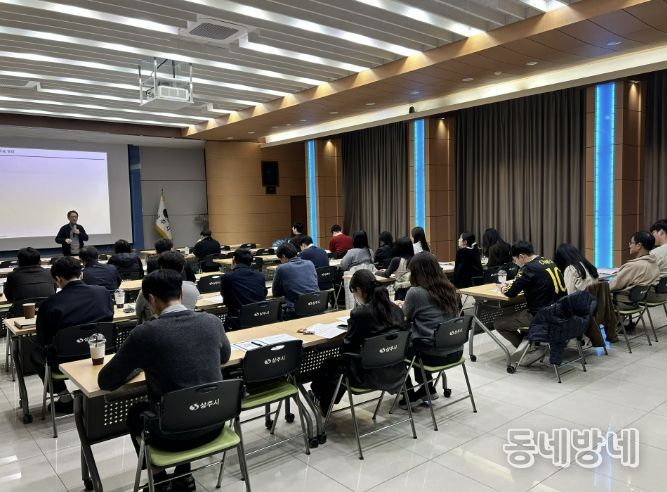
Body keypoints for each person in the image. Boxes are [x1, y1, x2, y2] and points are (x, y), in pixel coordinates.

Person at [99, 269, 231, 492]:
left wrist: (139, 363)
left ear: (151, 299)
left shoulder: (145, 333)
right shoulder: (212, 321)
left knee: (136, 413)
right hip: (215, 424)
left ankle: (159, 480)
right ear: (181, 293)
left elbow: (107, 381)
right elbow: (224, 357)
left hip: (170, 436)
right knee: (186, 403)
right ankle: (184, 476)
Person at [310, 269, 407, 414]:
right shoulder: (396, 310)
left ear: (359, 290)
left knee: (331, 364)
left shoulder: (360, 313)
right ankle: (325, 401)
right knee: (339, 364)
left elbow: (347, 347)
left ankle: (323, 402)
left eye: (354, 292)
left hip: (367, 376)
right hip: (396, 371)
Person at [34, 256, 113, 413]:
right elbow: (109, 319)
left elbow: (44, 338)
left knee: (36, 353)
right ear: (81, 274)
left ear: (58, 279)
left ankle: (65, 397)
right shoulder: (103, 293)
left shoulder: (50, 304)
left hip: (64, 361)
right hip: (101, 352)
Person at [399, 252, 463, 408]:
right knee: (419, 341)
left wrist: (401, 306)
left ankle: (409, 395)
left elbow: (405, 318)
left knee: (397, 351)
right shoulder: (450, 288)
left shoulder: (415, 292)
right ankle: (427, 388)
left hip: (434, 355)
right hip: (456, 350)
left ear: (417, 272)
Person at [495, 241, 567, 362]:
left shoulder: (528, 268)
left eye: (515, 260)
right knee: (520, 312)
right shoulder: (548, 261)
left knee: (499, 323)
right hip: (561, 312)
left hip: (542, 315)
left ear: (521, 256)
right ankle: (530, 341)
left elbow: (510, 292)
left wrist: (502, 287)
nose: (515, 263)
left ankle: (528, 350)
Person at [135, 251, 200, 324]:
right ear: (182, 268)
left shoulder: (148, 289)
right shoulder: (193, 289)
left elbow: (138, 313)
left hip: (157, 328)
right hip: (189, 326)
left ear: (161, 267)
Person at [220, 248, 268, 330]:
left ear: (234, 260)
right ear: (251, 262)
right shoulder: (260, 275)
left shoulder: (227, 277)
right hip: (260, 316)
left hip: (239, 320)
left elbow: (226, 298)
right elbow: (264, 294)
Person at [609, 231, 660, 304]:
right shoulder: (653, 263)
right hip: (638, 301)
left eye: (631, 243)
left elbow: (612, 286)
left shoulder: (634, 266)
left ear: (638, 245)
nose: (629, 245)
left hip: (622, 302)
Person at [272, 243, 318, 318]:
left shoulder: (281, 268)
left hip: (296, 310)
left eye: (280, 259)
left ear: (283, 256)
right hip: (316, 305)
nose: (281, 262)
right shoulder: (310, 263)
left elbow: (276, 293)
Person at [377, 236, 414, 301]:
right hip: (413, 290)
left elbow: (386, 274)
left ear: (398, 248)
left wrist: (377, 272)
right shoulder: (415, 259)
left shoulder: (396, 260)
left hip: (401, 291)